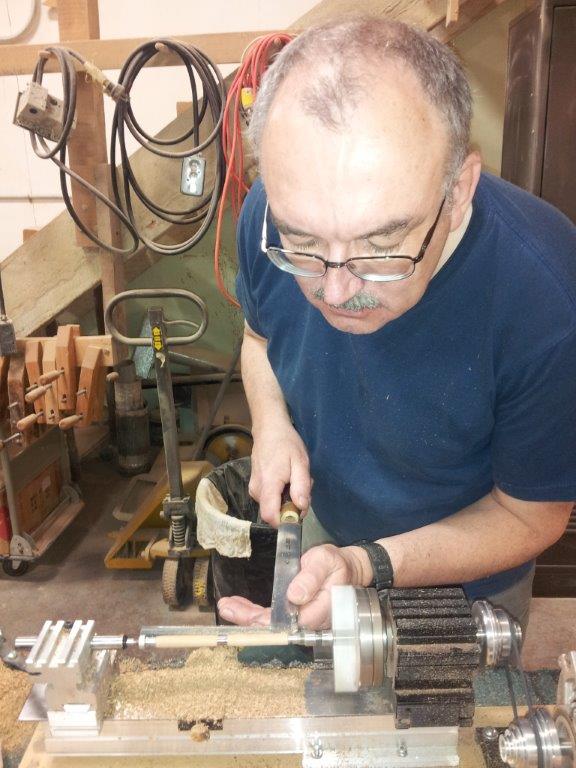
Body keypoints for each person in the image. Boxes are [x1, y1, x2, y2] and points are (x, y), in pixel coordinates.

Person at [216, 17, 576, 635]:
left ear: (457, 191)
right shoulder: (268, 220)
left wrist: (367, 566)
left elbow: (530, 517)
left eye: (380, 247)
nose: (334, 292)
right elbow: (259, 339)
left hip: (468, 578)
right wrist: (273, 426)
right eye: (305, 246)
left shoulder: (547, 294)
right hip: (329, 536)